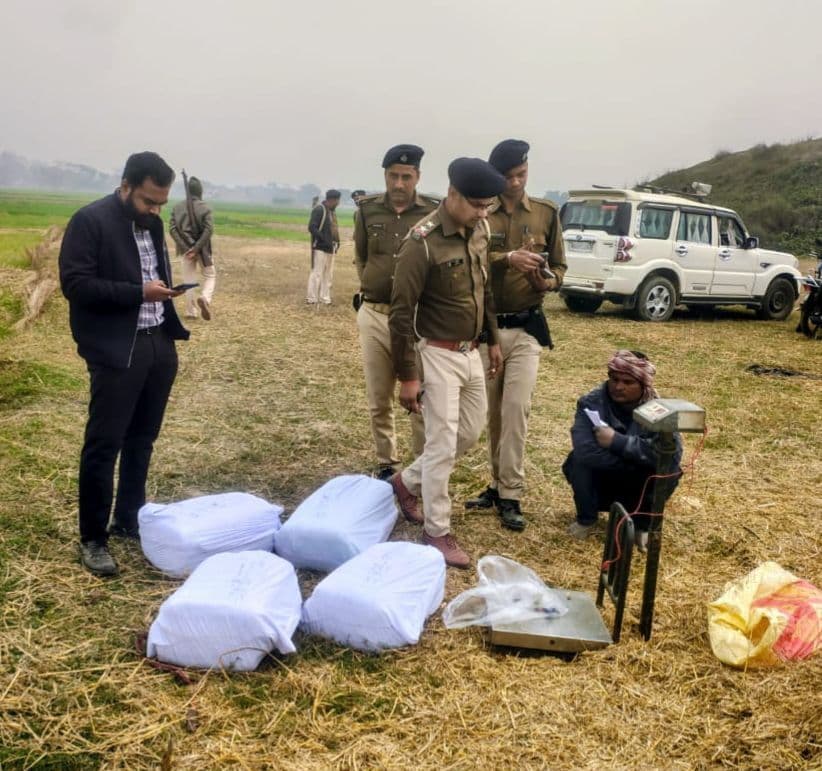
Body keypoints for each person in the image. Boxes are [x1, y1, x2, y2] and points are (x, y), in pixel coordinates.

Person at [59, 151, 189, 577]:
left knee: (142, 440)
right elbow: (76, 285)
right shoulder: (90, 221)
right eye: (149, 201)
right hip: (117, 350)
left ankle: (128, 518)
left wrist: (172, 299)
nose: (155, 210)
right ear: (127, 185)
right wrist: (139, 292)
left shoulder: (150, 224)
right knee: (104, 445)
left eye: (161, 203)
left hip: (157, 344)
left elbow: (155, 277)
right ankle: (93, 539)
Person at [389, 157, 505, 568]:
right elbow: (400, 314)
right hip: (436, 353)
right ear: (452, 194)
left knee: (468, 434)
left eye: (488, 205)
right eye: (476, 204)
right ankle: (437, 531)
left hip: (471, 351)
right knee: (441, 444)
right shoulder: (421, 243)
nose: (483, 212)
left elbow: (483, 289)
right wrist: (407, 376)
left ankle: (405, 482)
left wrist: (490, 338)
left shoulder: (480, 231)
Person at [465, 139, 568, 531]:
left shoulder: (545, 213)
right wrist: (506, 258)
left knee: (516, 411)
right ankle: (495, 484)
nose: (515, 183)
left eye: (521, 175)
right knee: (491, 413)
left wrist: (548, 280)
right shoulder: (481, 214)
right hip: (488, 329)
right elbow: (471, 261)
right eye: (507, 177)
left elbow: (559, 267)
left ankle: (511, 493)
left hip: (526, 328)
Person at [354, 144, 439, 480]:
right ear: (385, 175)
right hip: (374, 313)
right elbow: (362, 256)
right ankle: (387, 465)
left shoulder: (433, 213)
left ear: (417, 177)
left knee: (418, 396)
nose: (399, 183)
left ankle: (420, 470)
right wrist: (371, 286)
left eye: (406, 176)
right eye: (393, 176)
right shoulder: (368, 210)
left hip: (417, 319)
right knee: (379, 396)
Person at [562, 350, 682, 550]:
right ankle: (587, 518)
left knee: (669, 471)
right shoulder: (591, 402)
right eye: (614, 379)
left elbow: (671, 457)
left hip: (639, 487)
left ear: (643, 385)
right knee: (577, 460)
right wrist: (638, 458)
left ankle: (642, 525)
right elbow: (585, 451)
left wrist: (617, 442)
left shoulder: (660, 410)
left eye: (628, 382)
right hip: (603, 481)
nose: (618, 387)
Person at [169, 175, 215, 321]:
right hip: (203, 250)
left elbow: (172, 229)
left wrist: (186, 248)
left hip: (185, 250)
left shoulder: (177, 208)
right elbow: (209, 230)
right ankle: (205, 298)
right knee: (210, 275)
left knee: (189, 280)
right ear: (199, 191)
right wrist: (197, 248)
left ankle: (191, 311)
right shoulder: (205, 208)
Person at [306, 189, 341, 305]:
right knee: (317, 273)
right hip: (320, 247)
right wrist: (323, 239)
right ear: (332, 200)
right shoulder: (319, 209)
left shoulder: (332, 212)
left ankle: (325, 298)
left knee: (328, 275)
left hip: (331, 248)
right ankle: (312, 299)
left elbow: (334, 229)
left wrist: (337, 242)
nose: (338, 203)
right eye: (337, 201)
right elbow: (312, 227)